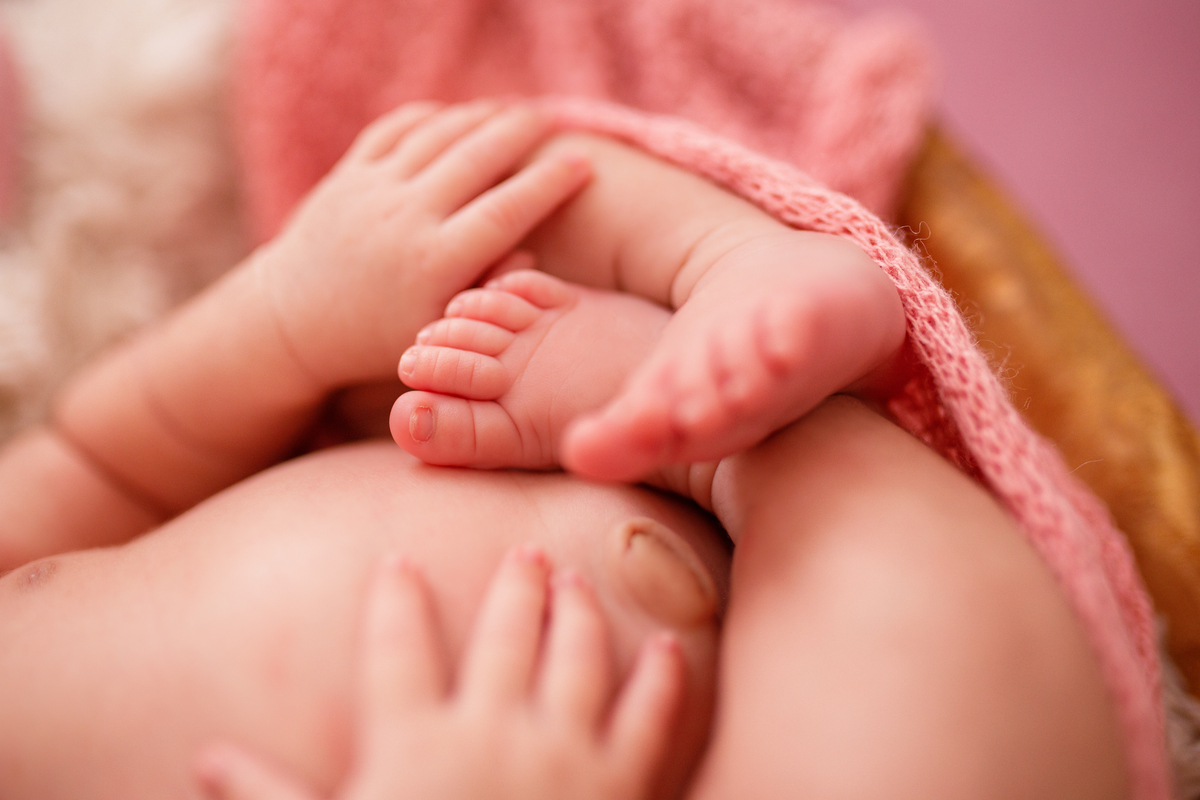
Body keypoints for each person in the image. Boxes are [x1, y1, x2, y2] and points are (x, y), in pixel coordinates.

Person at [0, 101, 1126, 799]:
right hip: (780, 733)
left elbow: (106, 460)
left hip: (512, 409)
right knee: (950, 736)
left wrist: (290, 318)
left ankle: (730, 270)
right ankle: (795, 448)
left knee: (460, 192)